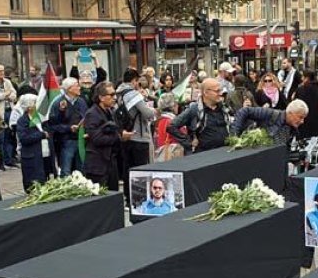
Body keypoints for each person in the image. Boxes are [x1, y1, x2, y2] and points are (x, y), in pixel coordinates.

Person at [116, 68, 157, 202]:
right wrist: (153, 110)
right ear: (134, 81)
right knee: (140, 170)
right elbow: (147, 113)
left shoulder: (118, 93)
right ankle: (139, 198)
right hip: (138, 136)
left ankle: (128, 198)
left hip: (125, 135)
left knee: (127, 169)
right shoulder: (133, 94)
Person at [84, 82, 130, 190]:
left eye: (115, 94)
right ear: (101, 97)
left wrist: (122, 133)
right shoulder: (92, 114)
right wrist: (119, 137)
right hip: (98, 165)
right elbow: (97, 139)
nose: (115, 98)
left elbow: (115, 129)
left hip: (111, 162)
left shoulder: (110, 111)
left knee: (114, 193)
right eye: (111, 95)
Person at [167, 78, 231, 153]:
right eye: (217, 91)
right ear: (206, 93)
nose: (220, 93)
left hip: (224, 152)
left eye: (220, 90)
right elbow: (171, 126)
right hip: (204, 155)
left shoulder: (224, 108)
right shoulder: (194, 109)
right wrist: (189, 142)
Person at [45, 77, 87, 177]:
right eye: (77, 85)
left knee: (81, 168)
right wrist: (69, 128)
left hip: (81, 139)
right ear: (69, 89)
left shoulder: (81, 101)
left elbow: (87, 116)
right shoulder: (58, 103)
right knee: (66, 169)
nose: (79, 88)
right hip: (66, 141)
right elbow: (53, 125)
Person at [231, 100, 308, 146]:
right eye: (300, 117)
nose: (302, 121)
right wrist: (234, 136)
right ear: (290, 113)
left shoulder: (293, 129)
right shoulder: (271, 114)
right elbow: (244, 111)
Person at [15, 94, 48, 192]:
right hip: (31, 156)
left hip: (44, 153)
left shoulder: (39, 117)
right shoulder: (22, 121)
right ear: (29, 107)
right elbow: (24, 138)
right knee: (33, 184)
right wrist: (41, 135)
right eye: (35, 103)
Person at [294, 70, 318, 140]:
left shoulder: (300, 90)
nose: (301, 78)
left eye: (302, 76)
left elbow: (296, 104)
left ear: (307, 78)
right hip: (317, 120)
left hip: (304, 120)